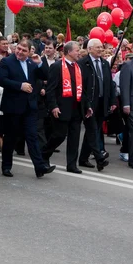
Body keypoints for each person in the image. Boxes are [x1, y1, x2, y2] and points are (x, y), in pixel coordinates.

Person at [0, 39, 55, 178]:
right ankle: (6, 166)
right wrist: (20, 86)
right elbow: (2, 80)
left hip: (29, 107)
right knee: (11, 138)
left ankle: (39, 167)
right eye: (18, 48)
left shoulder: (31, 63)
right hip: (13, 107)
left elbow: (46, 75)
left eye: (24, 50)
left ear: (29, 52)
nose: (20, 52)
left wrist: (39, 63)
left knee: (32, 137)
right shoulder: (7, 62)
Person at [42, 41, 96, 173]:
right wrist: (53, 106)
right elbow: (51, 89)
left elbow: (82, 89)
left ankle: (72, 165)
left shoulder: (78, 67)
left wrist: (87, 105)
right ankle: (44, 154)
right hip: (61, 107)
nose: (79, 53)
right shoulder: (56, 66)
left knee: (74, 138)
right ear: (69, 51)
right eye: (77, 50)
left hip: (76, 108)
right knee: (59, 136)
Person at [77, 38, 114, 171]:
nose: (100, 49)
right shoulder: (83, 63)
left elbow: (110, 83)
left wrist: (112, 101)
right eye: (97, 47)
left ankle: (83, 158)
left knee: (93, 131)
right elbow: (82, 86)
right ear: (89, 49)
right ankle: (99, 158)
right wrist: (86, 103)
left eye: (101, 47)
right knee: (92, 130)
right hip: (89, 103)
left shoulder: (104, 64)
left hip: (102, 102)